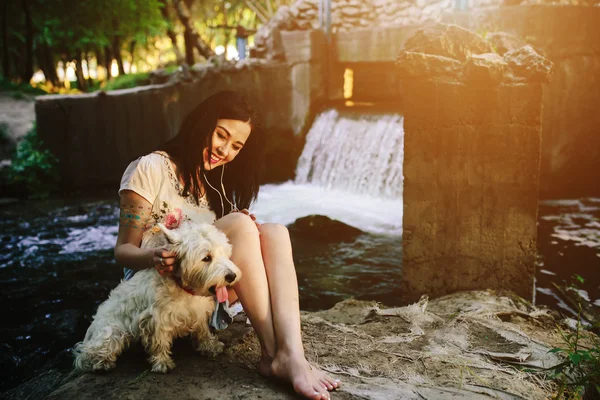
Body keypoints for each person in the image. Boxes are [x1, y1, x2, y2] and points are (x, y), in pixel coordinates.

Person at [115, 90, 340, 400]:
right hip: (155, 289)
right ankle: (275, 355)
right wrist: (154, 255)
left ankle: (292, 352)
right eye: (221, 135)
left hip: (202, 295)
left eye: (236, 146)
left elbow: (219, 257)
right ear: (202, 123)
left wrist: (240, 226)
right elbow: (122, 252)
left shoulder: (213, 184)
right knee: (241, 224)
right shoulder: (150, 168)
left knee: (274, 232)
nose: (225, 150)